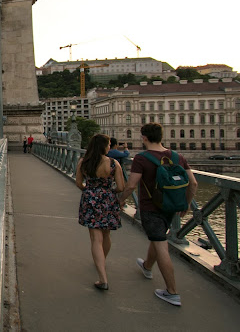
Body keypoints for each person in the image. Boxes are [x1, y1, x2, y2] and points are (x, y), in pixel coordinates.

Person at [119, 123, 197, 307]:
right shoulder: (177, 156)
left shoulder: (142, 158)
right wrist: (186, 203)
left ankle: (172, 292)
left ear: (144, 137)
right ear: (161, 136)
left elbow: (131, 185)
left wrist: (121, 200)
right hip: (171, 207)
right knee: (158, 237)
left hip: (151, 208)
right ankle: (147, 266)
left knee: (161, 246)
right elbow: (193, 183)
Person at [76, 133, 125, 290]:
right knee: (106, 235)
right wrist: (109, 192)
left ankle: (103, 278)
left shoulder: (84, 162)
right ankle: (102, 260)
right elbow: (121, 187)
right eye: (109, 144)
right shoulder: (113, 163)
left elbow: (78, 183)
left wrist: (89, 190)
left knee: (95, 239)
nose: (110, 146)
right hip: (108, 199)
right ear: (104, 146)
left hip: (90, 198)